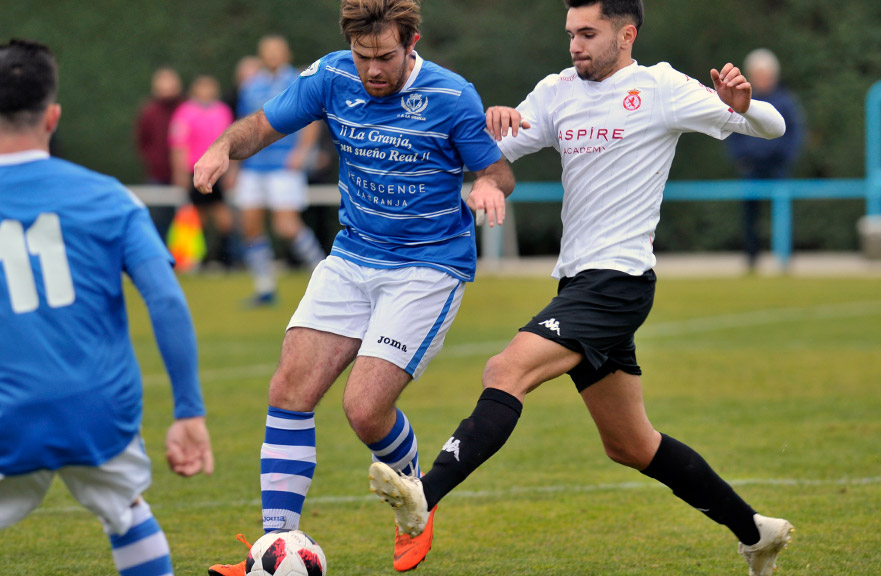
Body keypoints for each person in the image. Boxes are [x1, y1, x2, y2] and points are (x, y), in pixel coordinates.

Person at [367, 2, 795, 576]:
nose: (575, 45)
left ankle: (425, 494)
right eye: (571, 33)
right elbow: (489, 157)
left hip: (618, 282)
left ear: (627, 34)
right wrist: (486, 133)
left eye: (588, 33)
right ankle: (755, 532)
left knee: (505, 369)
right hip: (579, 282)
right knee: (631, 444)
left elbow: (774, 126)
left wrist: (744, 108)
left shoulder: (661, 87)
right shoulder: (556, 92)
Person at [195, 0, 515, 573]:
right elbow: (263, 125)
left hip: (427, 266)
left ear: (412, 41)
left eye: (385, 57)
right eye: (363, 56)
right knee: (289, 386)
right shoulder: (331, 75)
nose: (372, 71)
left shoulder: (451, 95)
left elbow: (495, 167)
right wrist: (223, 146)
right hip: (352, 256)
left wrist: (489, 186)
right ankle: (275, 550)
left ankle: (417, 501)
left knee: (365, 410)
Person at [0, 39, 214, 575]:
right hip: (102, 412)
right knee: (126, 510)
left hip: (3, 415)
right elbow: (165, 296)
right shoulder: (110, 197)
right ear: (53, 116)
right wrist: (188, 410)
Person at [235, 35, 327, 306]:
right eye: (268, 51)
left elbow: (312, 119)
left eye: (277, 51)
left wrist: (302, 152)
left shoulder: (297, 80)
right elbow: (244, 125)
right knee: (250, 227)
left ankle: (324, 277)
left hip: (284, 166)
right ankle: (265, 289)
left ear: (286, 53)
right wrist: (235, 164)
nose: (273, 55)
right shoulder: (250, 85)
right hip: (254, 166)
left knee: (287, 226)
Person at [725, 48, 805, 271]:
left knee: (783, 213)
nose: (762, 79)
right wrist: (740, 158)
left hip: (778, 168)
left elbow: (795, 133)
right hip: (751, 168)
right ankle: (751, 259)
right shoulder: (742, 102)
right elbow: (731, 132)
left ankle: (785, 258)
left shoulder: (786, 102)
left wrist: (785, 159)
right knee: (750, 216)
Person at [170, 74, 238, 269]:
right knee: (195, 217)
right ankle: (194, 260)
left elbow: (232, 143)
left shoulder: (223, 111)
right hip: (195, 170)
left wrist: (232, 171)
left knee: (223, 217)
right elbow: (178, 145)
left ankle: (223, 259)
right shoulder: (185, 112)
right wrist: (180, 172)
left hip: (218, 170)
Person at [135, 66, 185, 241]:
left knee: (184, 218)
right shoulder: (149, 111)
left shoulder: (185, 109)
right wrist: (153, 161)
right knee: (158, 217)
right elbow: (142, 140)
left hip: (185, 173)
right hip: (158, 174)